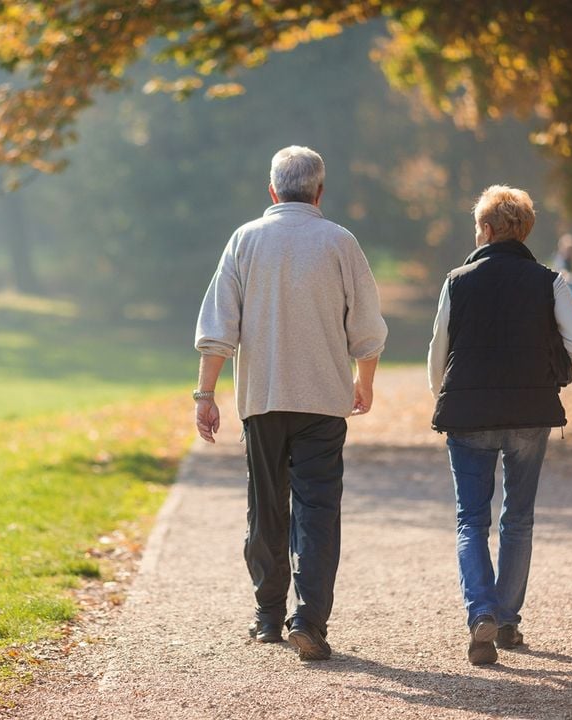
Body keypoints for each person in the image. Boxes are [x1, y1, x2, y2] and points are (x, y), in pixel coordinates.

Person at [194, 145, 388, 661]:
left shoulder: (245, 241)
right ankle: (310, 619)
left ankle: (267, 615)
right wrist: (363, 381)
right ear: (320, 191)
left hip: (262, 400)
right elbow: (367, 328)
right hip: (324, 401)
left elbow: (219, 328)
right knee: (319, 511)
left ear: (272, 190)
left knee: (266, 507)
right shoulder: (340, 243)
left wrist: (206, 393)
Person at [427, 185, 572, 666]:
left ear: (484, 229)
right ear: (524, 230)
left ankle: (480, 611)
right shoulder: (549, 281)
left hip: (468, 415)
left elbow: (437, 357)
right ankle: (506, 619)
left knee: (470, 520)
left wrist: (447, 395)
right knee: (518, 518)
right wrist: (561, 367)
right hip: (530, 412)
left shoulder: (456, 281)